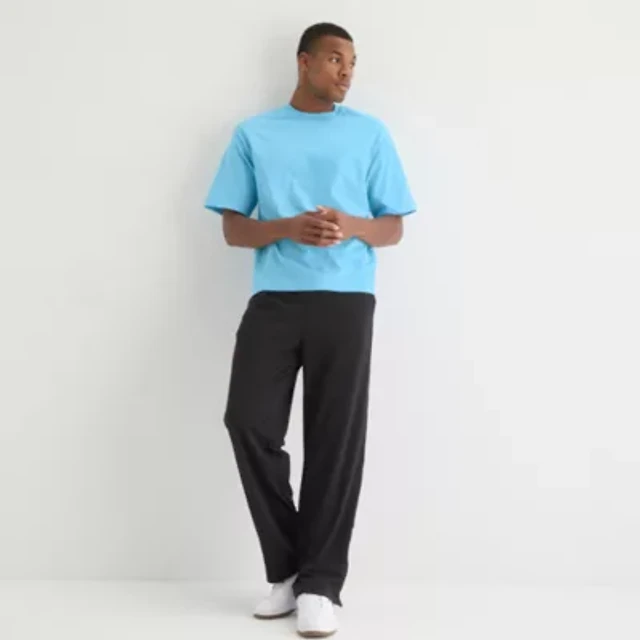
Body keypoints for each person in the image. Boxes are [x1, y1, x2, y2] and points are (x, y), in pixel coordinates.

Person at [204, 22, 416, 638]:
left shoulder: (369, 133)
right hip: (274, 299)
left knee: (334, 441)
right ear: (304, 62)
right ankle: (289, 569)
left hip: (346, 301)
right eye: (334, 59)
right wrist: (287, 228)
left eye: (352, 62)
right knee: (248, 422)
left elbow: (393, 227)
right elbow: (233, 228)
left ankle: (320, 585)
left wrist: (352, 224)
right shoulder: (255, 133)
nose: (346, 72)